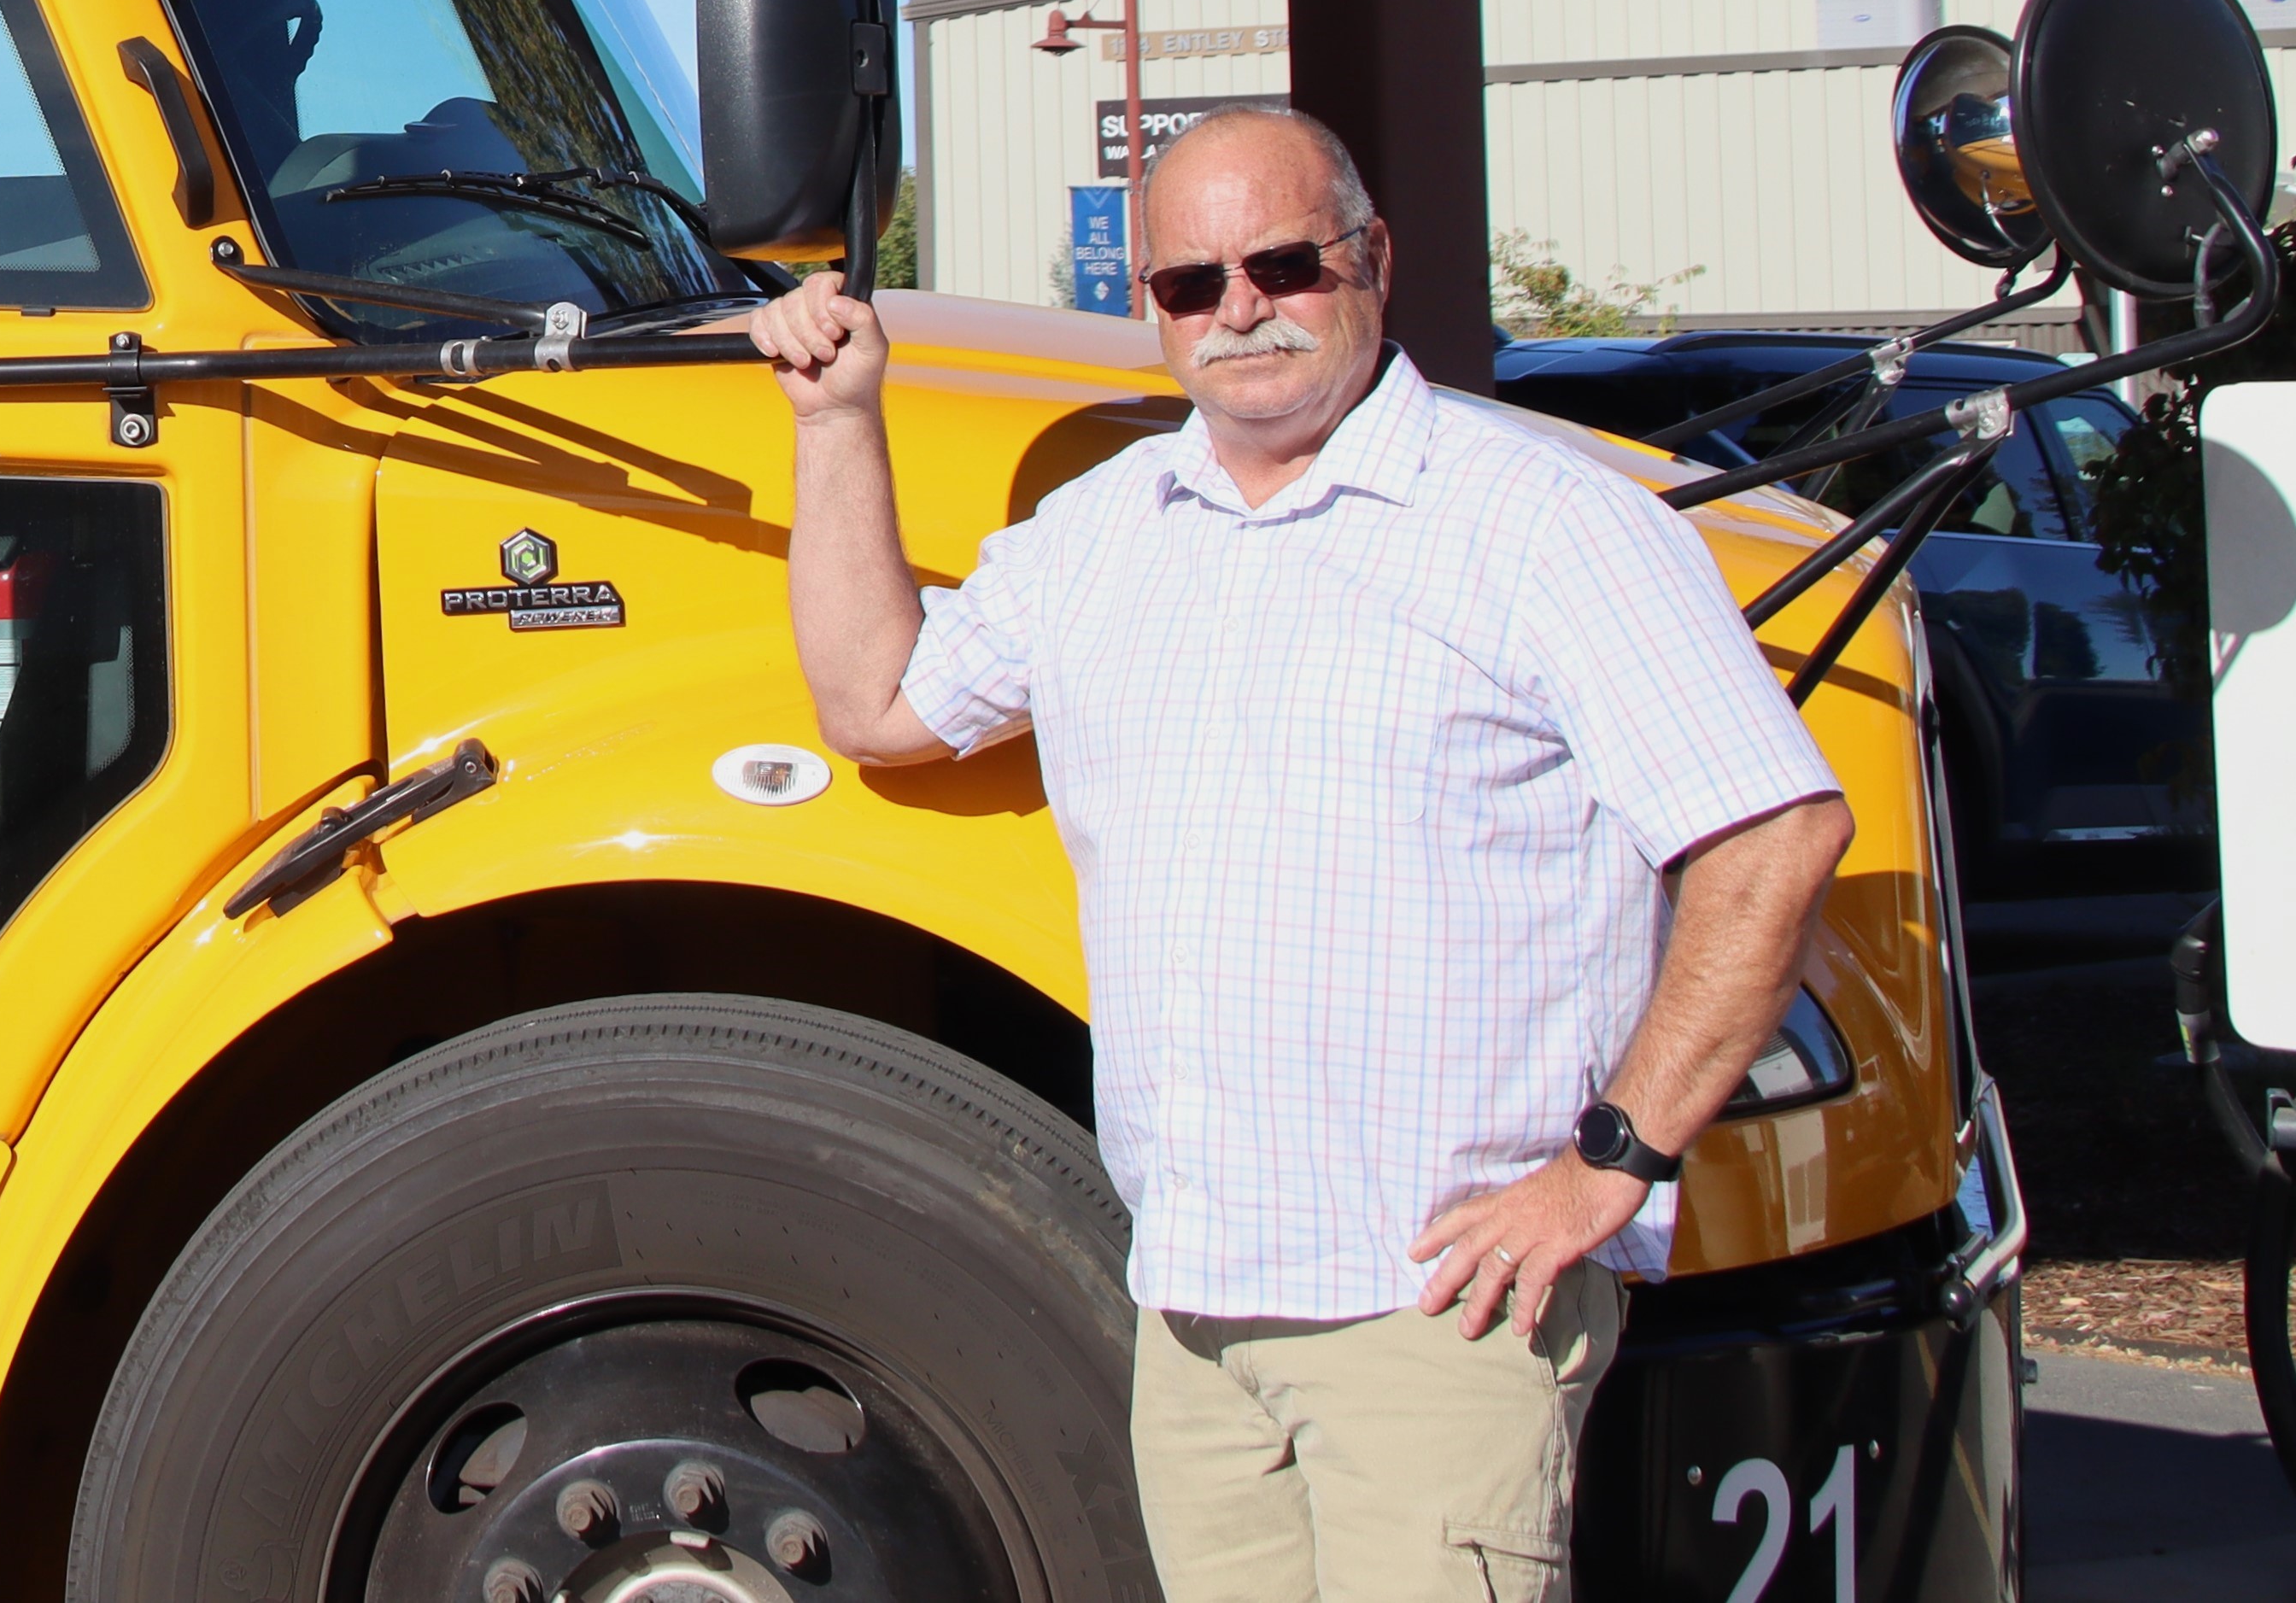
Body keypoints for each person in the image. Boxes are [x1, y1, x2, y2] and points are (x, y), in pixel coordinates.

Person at [745, 104, 1848, 1603]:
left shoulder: (1549, 528)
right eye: (1191, 283)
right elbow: (877, 700)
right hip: (1193, 1323)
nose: (1240, 307)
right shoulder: (1099, 537)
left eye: (1282, 262)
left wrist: (1611, 1164)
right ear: (1150, 309)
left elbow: (1776, 831)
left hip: (1437, 1320)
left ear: (1372, 257)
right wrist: (837, 421)